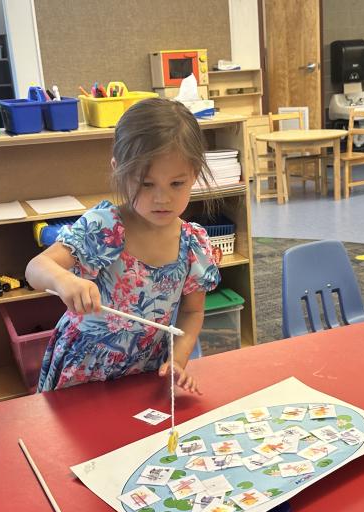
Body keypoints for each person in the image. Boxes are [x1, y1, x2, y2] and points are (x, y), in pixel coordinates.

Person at [26, 99, 220, 393]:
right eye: (146, 183)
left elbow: (192, 313)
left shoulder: (193, 244)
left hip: (144, 371)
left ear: (195, 173)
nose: (162, 198)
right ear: (118, 169)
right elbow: (36, 268)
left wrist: (177, 361)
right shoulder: (106, 227)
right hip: (83, 371)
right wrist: (64, 280)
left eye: (177, 184)